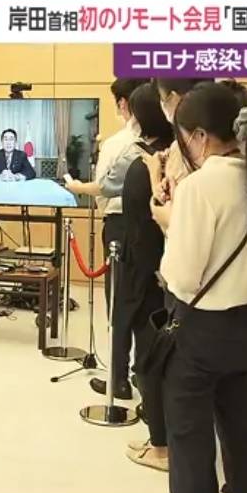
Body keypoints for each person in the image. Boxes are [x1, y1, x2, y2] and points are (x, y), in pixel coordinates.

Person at [150, 82, 247, 493]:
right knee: (243, 430)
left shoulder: (200, 187)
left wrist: (168, 220)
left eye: (183, 139)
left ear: (200, 137)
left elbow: (181, 276)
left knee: (190, 438)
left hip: (201, 333)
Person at [99, 84, 174, 471]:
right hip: (153, 266)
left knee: (149, 356)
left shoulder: (152, 161)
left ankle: (161, 443)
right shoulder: (160, 156)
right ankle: (158, 434)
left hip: (147, 270)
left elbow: (148, 221)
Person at [67, 78, 150, 399]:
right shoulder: (169, 141)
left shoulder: (119, 144)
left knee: (120, 305)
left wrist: (76, 187)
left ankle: (118, 380)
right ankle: (145, 377)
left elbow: (103, 188)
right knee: (148, 305)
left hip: (121, 227)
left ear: (124, 103)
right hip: (156, 228)